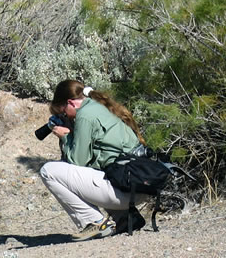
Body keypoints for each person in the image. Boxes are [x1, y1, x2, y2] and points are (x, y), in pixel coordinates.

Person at [39, 79, 148, 241]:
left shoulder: (84, 116)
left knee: (48, 171)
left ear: (71, 103)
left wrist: (66, 137)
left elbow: (77, 161)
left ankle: (94, 222)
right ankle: (126, 218)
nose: (64, 116)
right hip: (139, 186)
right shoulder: (98, 107)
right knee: (96, 167)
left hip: (126, 191)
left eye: (63, 112)